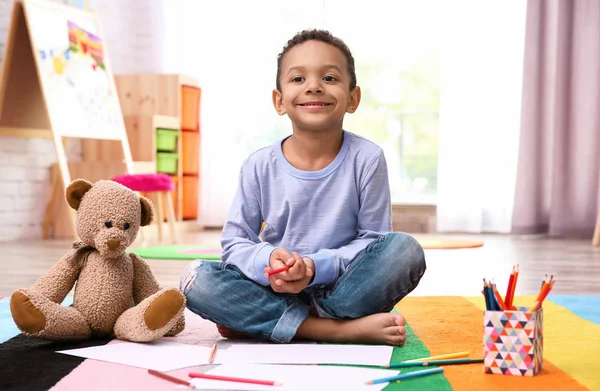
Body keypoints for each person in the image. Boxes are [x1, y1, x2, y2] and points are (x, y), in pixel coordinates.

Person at [180, 29, 426, 346]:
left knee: (404, 251)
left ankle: (274, 322)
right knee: (196, 279)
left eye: (330, 78)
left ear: (353, 98)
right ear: (279, 100)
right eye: (298, 79)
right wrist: (268, 260)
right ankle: (331, 330)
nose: (313, 86)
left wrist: (312, 268)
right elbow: (235, 243)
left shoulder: (368, 158)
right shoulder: (259, 165)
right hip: (275, 288)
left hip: (342, 289)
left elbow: (374, 242)